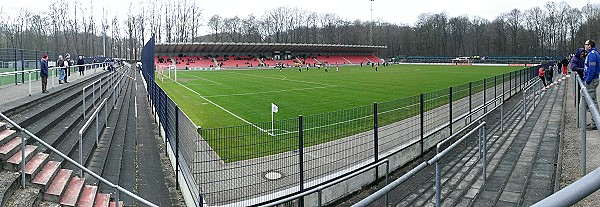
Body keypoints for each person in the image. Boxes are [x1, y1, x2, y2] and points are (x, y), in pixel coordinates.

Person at [584, 39, 600, 130]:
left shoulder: (592, 54)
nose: (584, 46)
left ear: (589, 45)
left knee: (592, 102)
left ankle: (595, 123)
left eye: (585, 44)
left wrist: (588, 80)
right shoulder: (592, 53)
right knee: (592, 100)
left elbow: (592, 69)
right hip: (592, 79)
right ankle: (595, 121)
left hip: (592, 80)